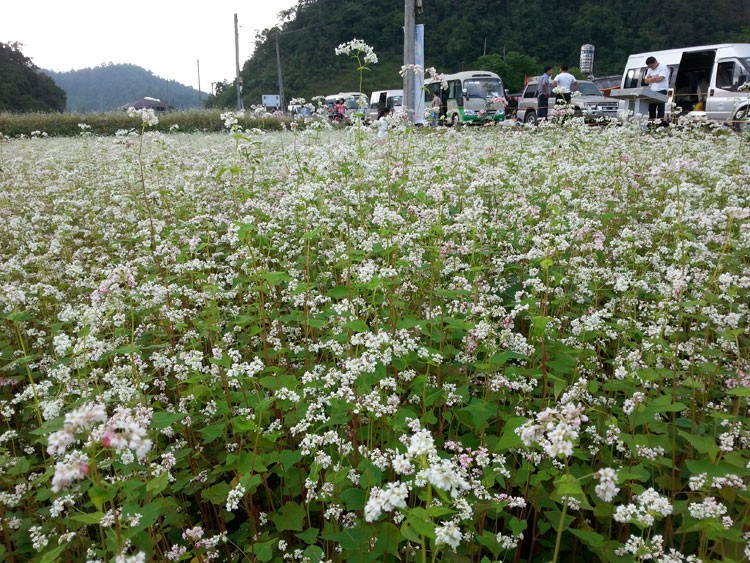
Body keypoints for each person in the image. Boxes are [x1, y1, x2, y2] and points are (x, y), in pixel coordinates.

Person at [643, 56, 669, 124]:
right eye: (649, 67)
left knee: (660, 107)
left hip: (662, 89)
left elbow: (661, 78)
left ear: (655, 63)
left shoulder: (663, 67)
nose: (651, 68)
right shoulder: (649, 70)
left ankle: (660, 123)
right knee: (651, 108)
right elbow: (645, 81)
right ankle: (652, 123)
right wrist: (655, 79)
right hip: (652, 90)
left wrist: (651, 79)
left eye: (651, 66)